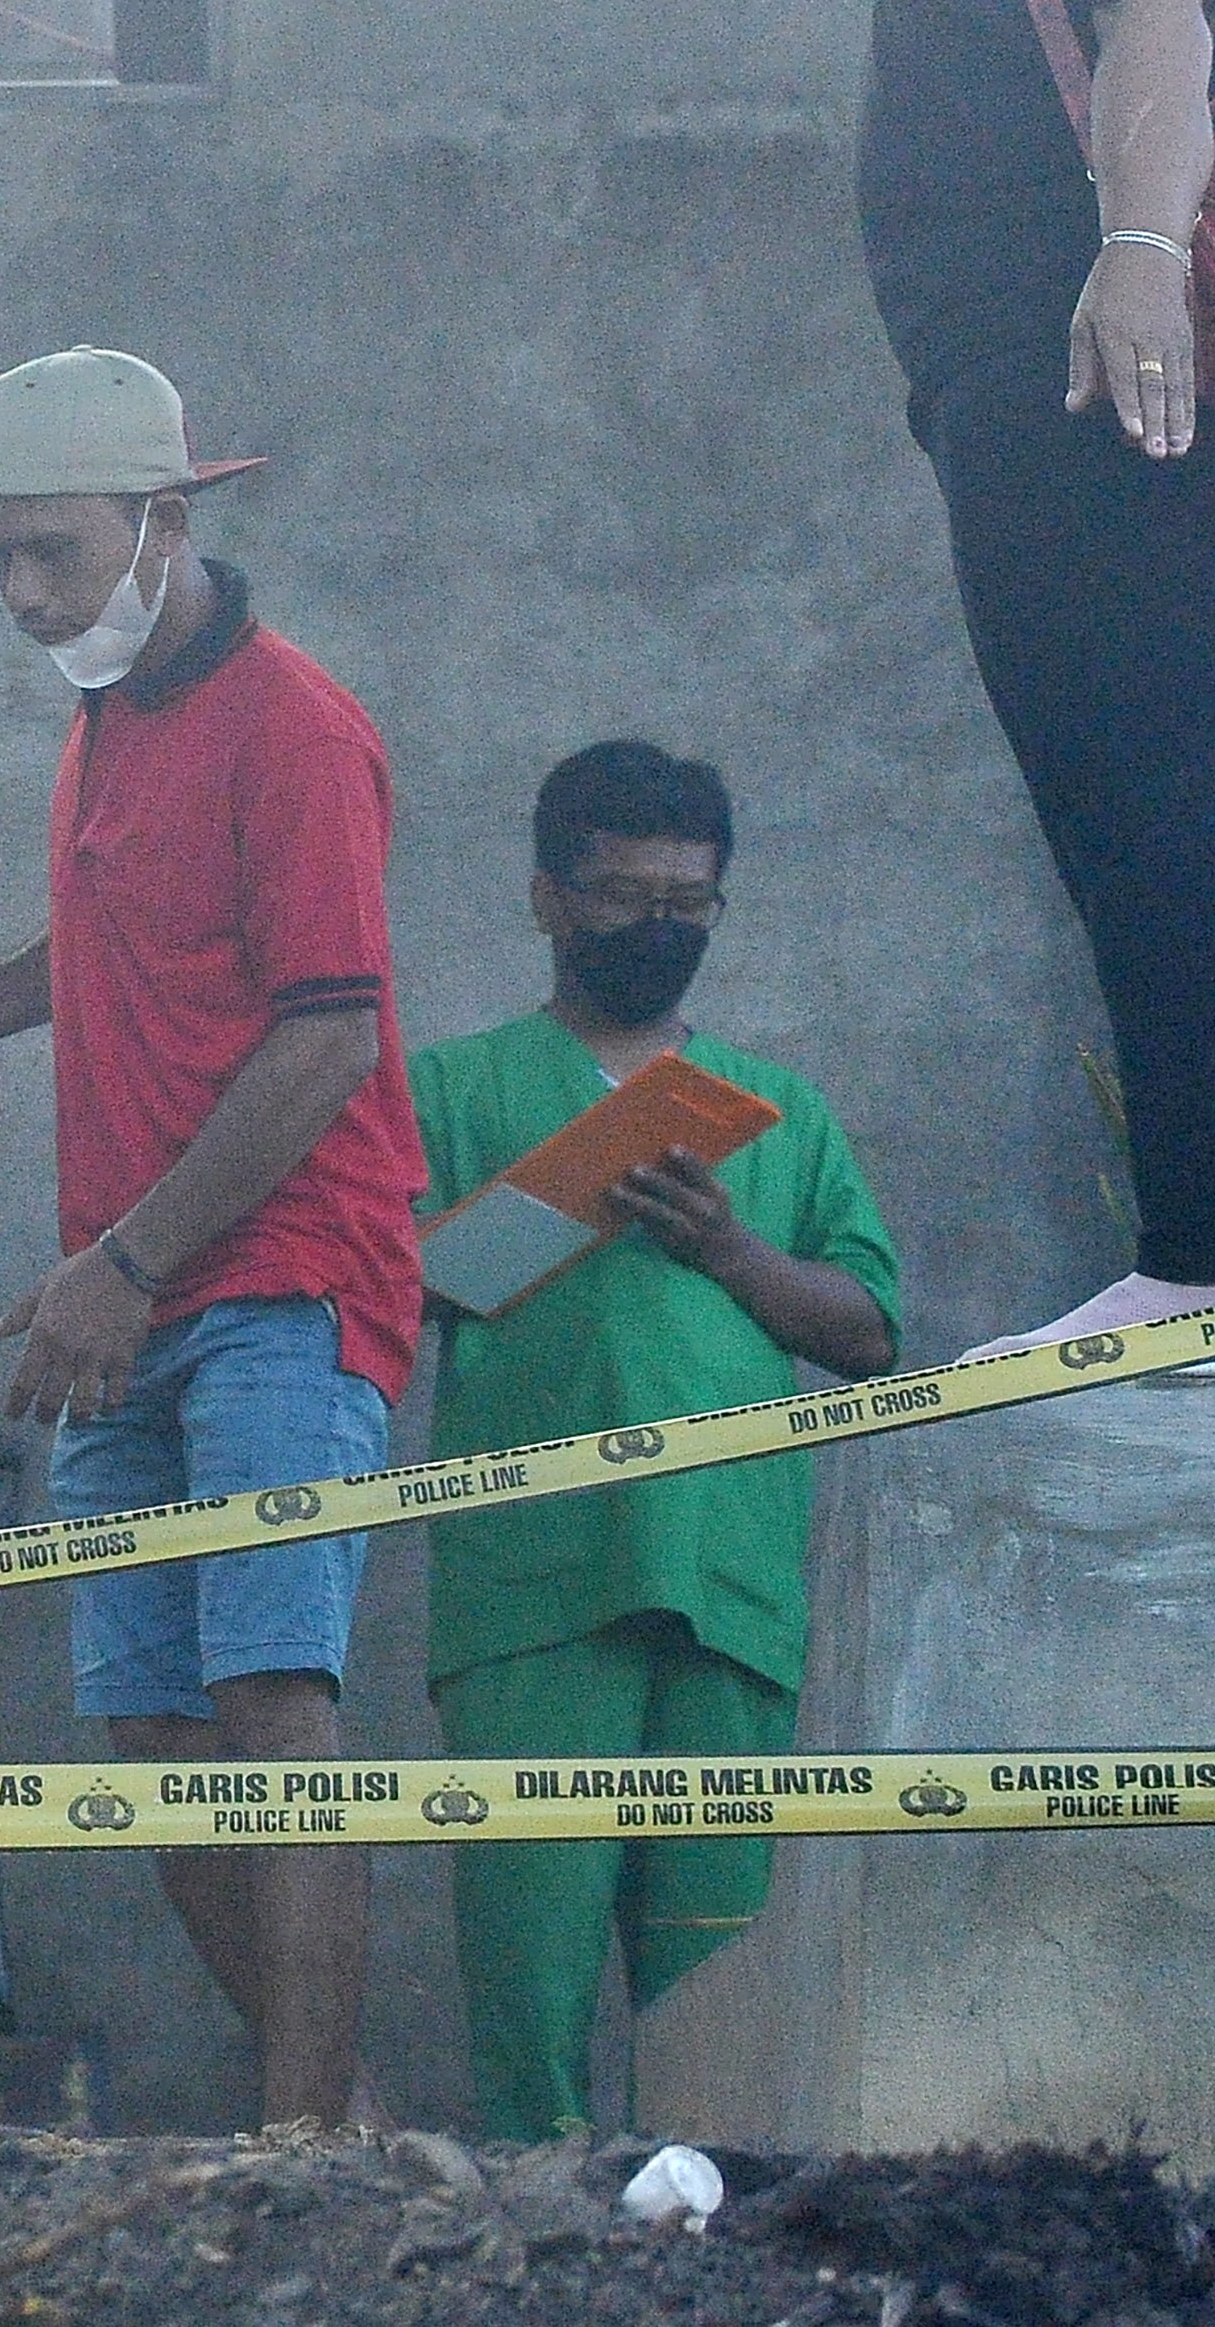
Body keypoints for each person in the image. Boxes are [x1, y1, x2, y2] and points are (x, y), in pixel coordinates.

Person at [0, 347, 423, 2129]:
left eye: (50, 551)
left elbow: (329, 1031)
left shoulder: (297, 723)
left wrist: (121, 1264)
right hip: (126, 1291)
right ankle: (329, 2111)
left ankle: (299, 2135)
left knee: (271, 1694)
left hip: (280, 1283)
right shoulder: (106, 723)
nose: (24, 594)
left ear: (165, 520)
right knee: (150, 1729)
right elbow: (127, 935)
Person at [859, 0, 1215, 1349]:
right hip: (1040, 369)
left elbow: (1163, 14)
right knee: (1138, 807)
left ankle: (1214, 1253)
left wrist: (1135, 260)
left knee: (1149, 807)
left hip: (1105, 359)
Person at [411, 742, 903, 2142]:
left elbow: (868, 1329)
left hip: (728, 1581)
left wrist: (732, 1247)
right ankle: (536, 2232)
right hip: (532, 1583)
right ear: (547, 899)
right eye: (624, 894)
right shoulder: (453, 1086)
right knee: (528, 1958)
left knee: (718, 1979)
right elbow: (377, 1282)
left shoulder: (780, 1109)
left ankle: (718, 2235)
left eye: (690, 900)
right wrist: (538, 1216)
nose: (659, 925)